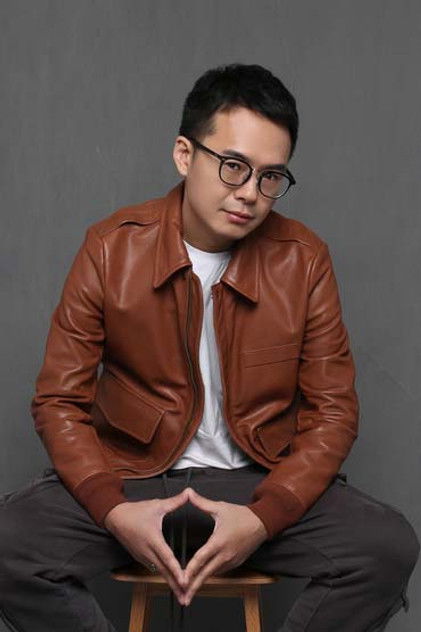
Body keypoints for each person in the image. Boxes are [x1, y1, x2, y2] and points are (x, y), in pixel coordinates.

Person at [0, 63, 419, 632]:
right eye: (233, 166)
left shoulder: (303, 260)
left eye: (271, 177)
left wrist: (264, 518)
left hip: (255, 484)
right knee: (9, 542)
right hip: (136, 479)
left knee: (386, 546)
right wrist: (113, 509)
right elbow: (58, 401)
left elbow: (334, 413)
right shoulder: (110, 248)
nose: (250, 193)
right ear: (184, 155)